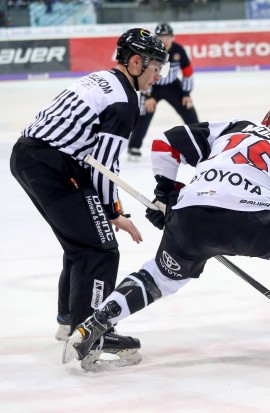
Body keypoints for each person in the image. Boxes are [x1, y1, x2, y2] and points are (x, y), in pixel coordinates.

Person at [62, 108, 270, 371]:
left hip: (188, 215)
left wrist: (166, 193)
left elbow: (165, 142)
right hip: (252, 218)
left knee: (161, 276)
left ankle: (94, 324)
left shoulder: (236, 129)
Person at [10, 28, 169, 358]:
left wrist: (107, 208)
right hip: (52, 166)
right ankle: (90, 332)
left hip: (30, 156)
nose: (158, 76)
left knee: (81, 243)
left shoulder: (101, 79)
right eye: (156, 68)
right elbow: (104, 168)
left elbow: (92, 160)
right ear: (137, 63)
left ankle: (69, 322)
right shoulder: (125, 101)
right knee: (101, 250)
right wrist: (114, 213)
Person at [127, 22, 198, 160]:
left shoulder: (179, 51)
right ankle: (134, 147)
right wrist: (148, 96)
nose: (164, 40)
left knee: (190, 112)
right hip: (152, 86)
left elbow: (187, 72)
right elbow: (143, 74)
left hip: (173, 86)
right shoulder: (150, 51)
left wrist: (186, 94)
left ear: (172, 37)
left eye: (167, 37)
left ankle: (200, 139)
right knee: (143, 114)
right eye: (160, 37)